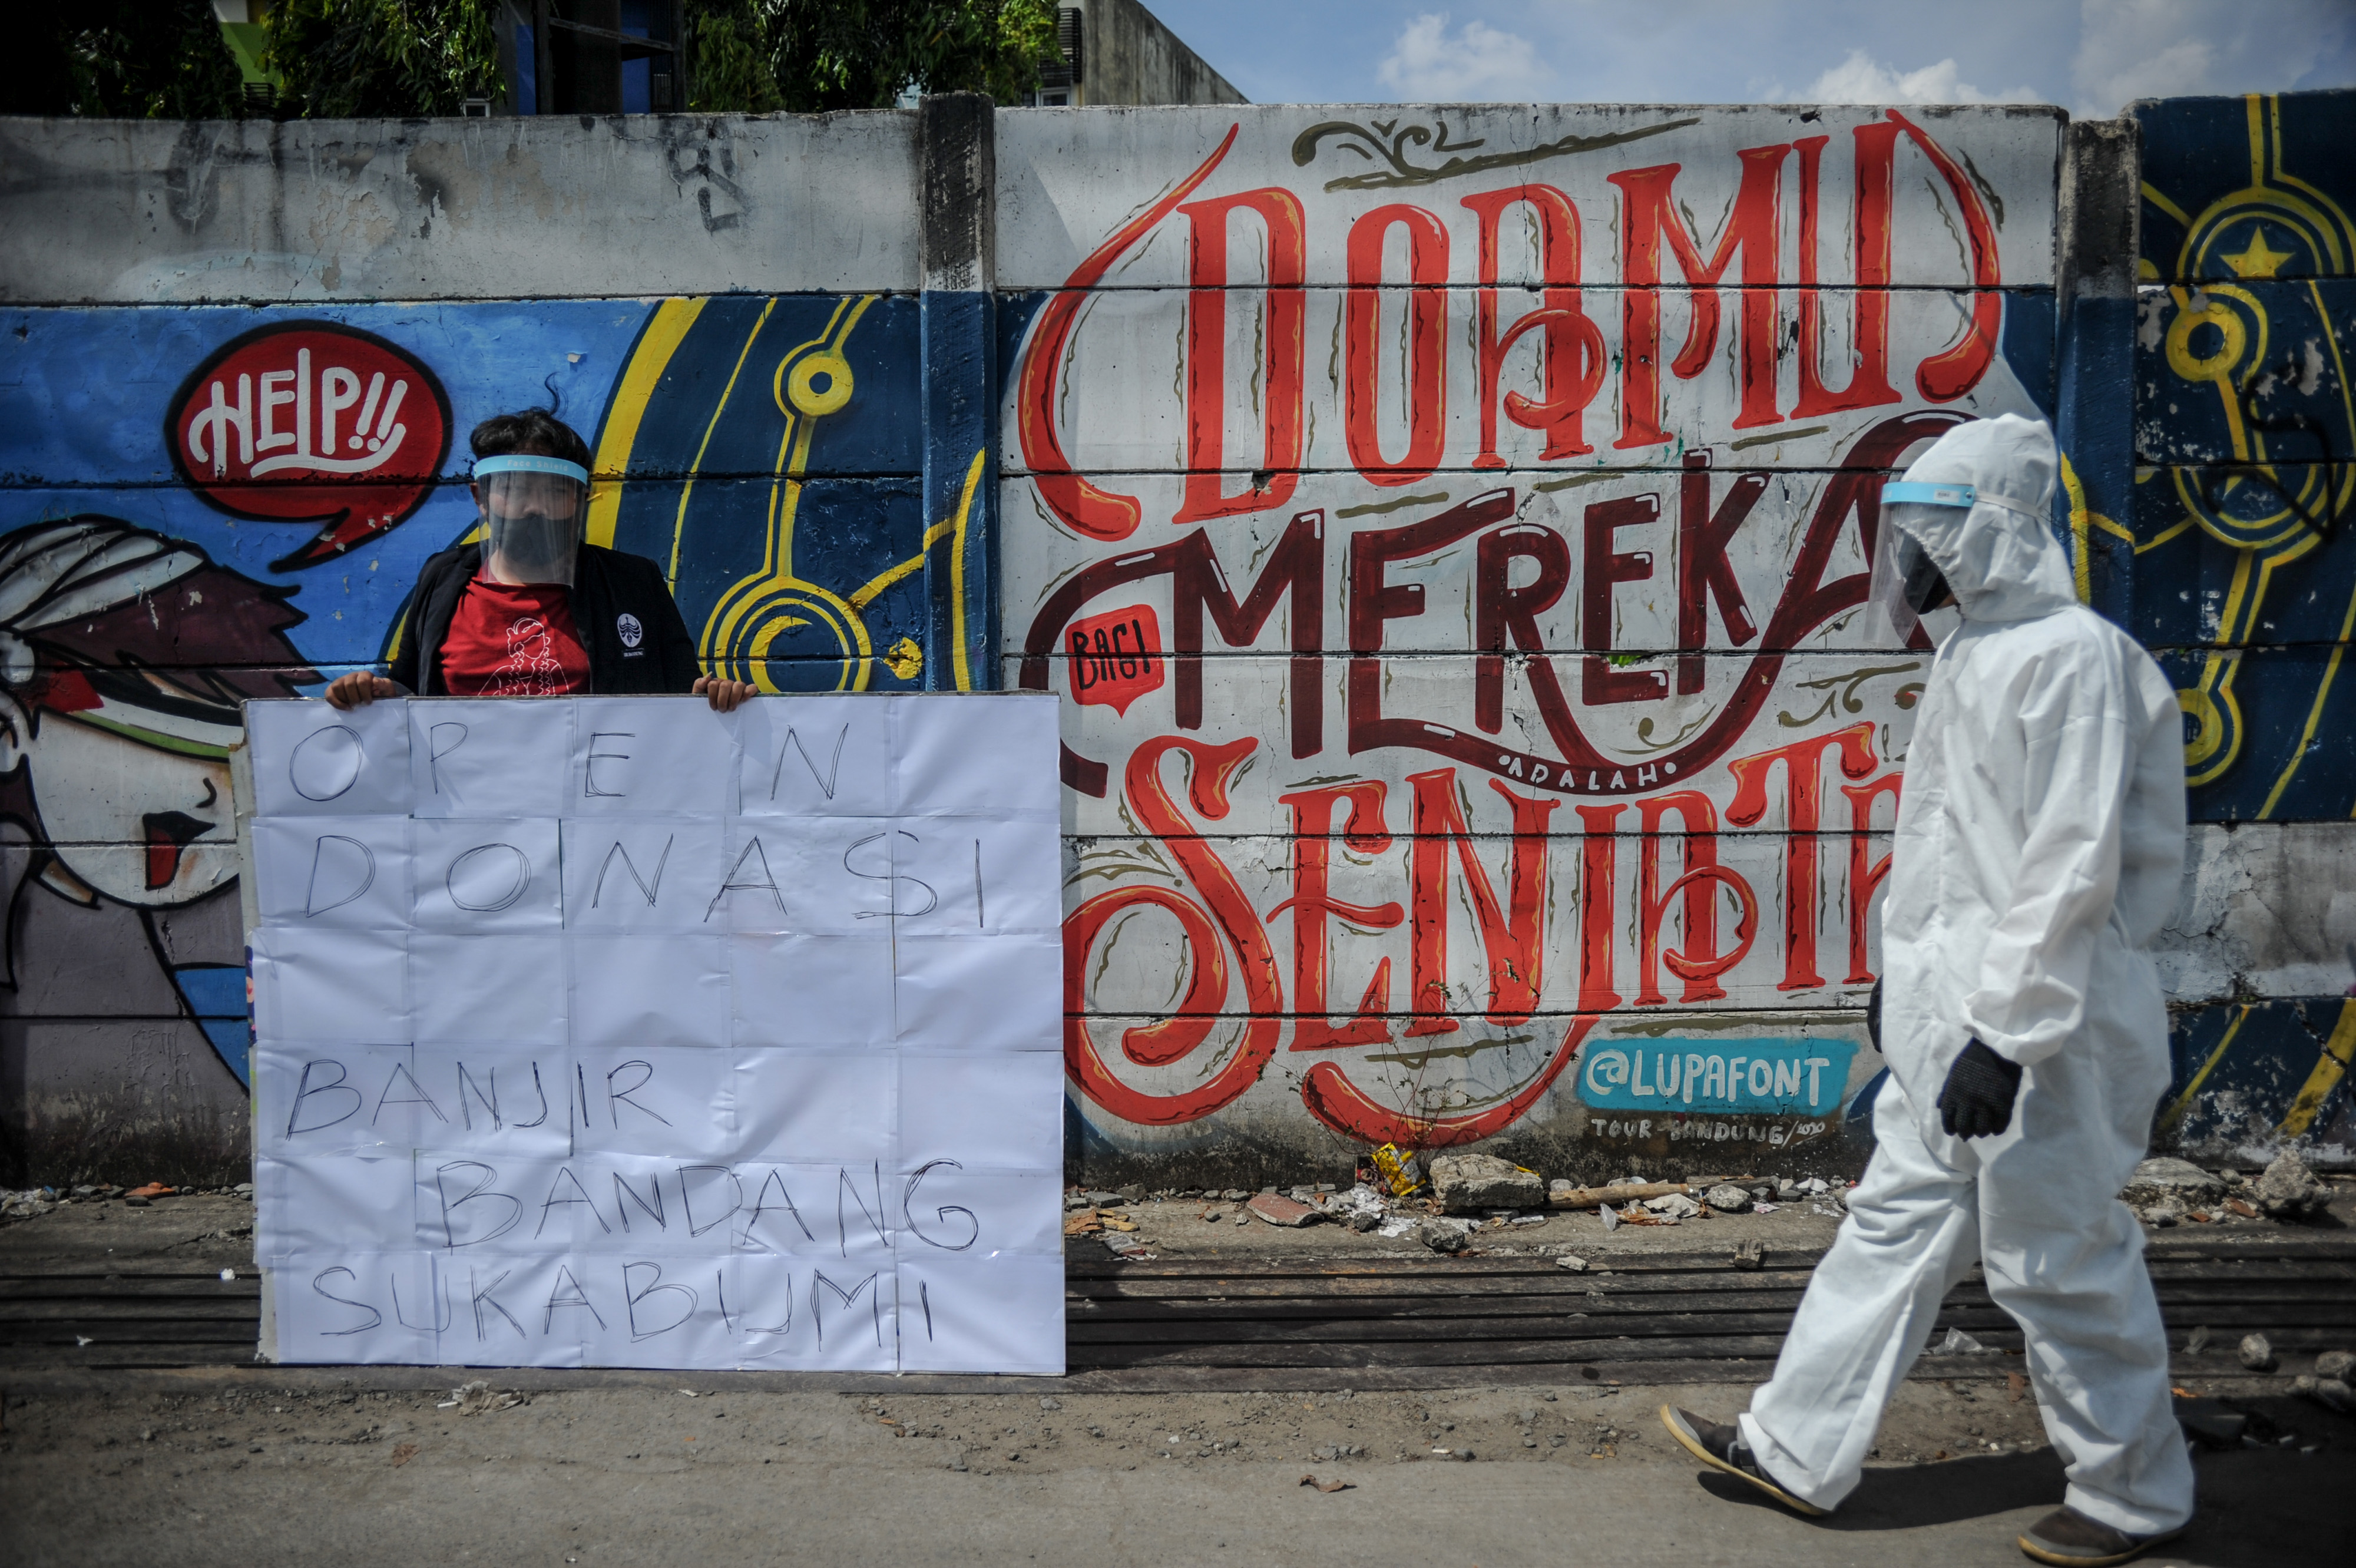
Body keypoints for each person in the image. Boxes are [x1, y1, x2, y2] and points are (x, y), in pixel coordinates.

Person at [1658, 415, 2194, 1567]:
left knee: (2053, 1253)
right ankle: (1792, 1446)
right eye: (1904, 528)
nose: (1910, 553)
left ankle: (2132, 1491)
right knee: (1892, 1219)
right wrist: (1902, 992)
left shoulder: (2069, 661)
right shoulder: (1972, 654)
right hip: (1955, 1017)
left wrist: (2002, 1037)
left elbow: (2067, 871)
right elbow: (1947, 861)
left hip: (2048, 1030)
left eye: (1933, 528)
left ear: (1994, 530)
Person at [325, 408, 756, 712]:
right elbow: (407, 685)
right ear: (481, 498)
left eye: (554, 491)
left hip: (599, 808)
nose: (534, 508)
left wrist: (717, 697)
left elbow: (683, 692)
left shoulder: (631, 582)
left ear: (582, 498)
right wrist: (373, 693)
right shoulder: (444, 577)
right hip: (466, 814)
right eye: (514, 489)